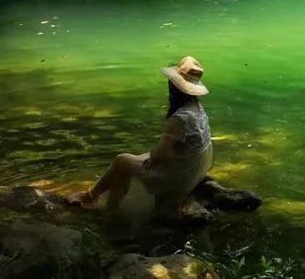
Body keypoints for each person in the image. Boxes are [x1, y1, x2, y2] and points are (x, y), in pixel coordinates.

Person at [68, 56, 214, 215]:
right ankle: (103, 202)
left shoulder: (180, 117)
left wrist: (152, 155)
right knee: (126, 163)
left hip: (179, 175)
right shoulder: (197, 108)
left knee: (122, 160)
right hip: (193, 168)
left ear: (174, 87)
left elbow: (159, 155)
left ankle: (96, 200)